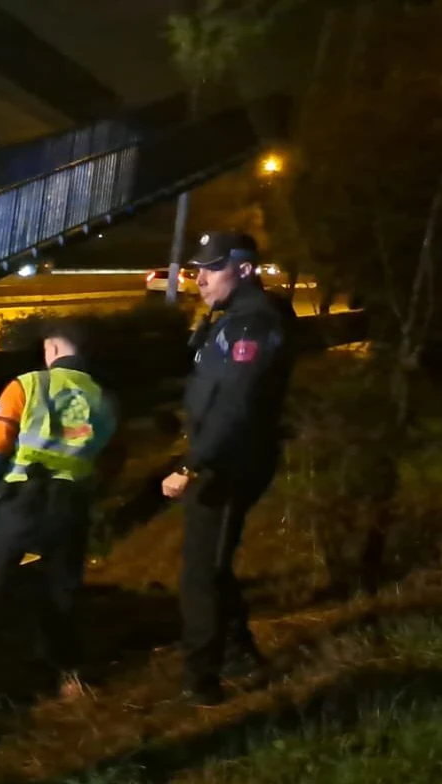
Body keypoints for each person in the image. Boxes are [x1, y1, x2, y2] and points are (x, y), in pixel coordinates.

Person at [0, 320, 117, 695]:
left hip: (21, 500)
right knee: (61, 588)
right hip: (71, 504)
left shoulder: (29, 385)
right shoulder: (103, 397)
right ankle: (63, 668)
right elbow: (111, 456)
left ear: (53, 349)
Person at [165, 231, 297, 703]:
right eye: (197, 268)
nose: (198, 278)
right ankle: (240, 654)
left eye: (211, 268)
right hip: (219, 455)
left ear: (244, 270)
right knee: (212, 565)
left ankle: (201, 681)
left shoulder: (254, 324)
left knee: (200, 573)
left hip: (228, 462)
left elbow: (236, 405)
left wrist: (193, 465)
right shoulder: (229, 318)